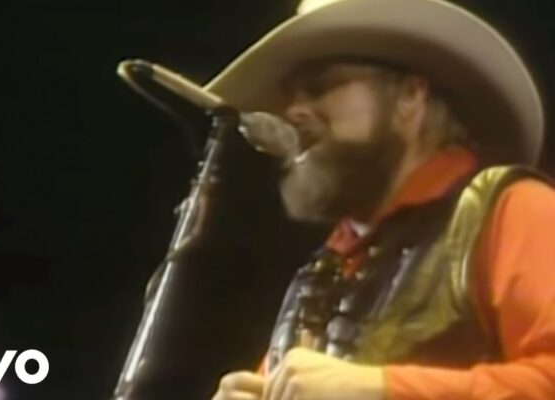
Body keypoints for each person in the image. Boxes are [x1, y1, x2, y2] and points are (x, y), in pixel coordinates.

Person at [202, 0, 555, 399]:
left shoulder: (513, 210)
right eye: (292, 96)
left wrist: (382, 389)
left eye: (320, 86)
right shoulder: (326, 269)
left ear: (409, 95)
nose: (293, 111)